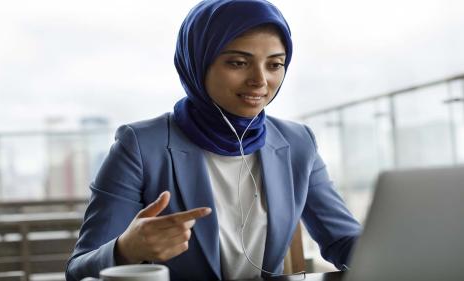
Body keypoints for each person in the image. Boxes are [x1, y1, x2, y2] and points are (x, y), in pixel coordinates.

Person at [66, 0, 362, 280]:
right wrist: (125, 250)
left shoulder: (298, 143)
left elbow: (343, 239)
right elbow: (78, 271)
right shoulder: (140, 146)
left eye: (274, 64)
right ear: (198, 63)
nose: (260, 80)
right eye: (238, 63)